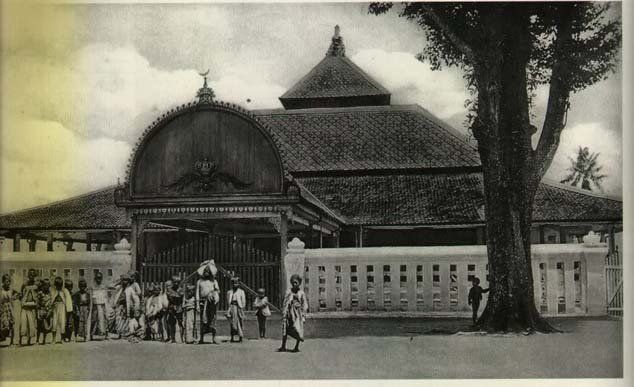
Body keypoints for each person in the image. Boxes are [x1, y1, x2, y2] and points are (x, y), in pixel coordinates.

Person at [278, 274, 308, 353]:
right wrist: (284, 312)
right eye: (293, 282)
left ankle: (296, 346)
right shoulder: (288, 292)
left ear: (299, 283)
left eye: (296, 282)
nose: (294, 284)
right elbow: (285, 302)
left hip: (297, 315)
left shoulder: (301, 293)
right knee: (285, 328)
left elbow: (304, 304)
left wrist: (303, 315)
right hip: (289, 313)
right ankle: (283, 346)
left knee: (297, 329)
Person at [196, 266, 220, 344]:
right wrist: (197, 304)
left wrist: (213, 294)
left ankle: (214, 338)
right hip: (203, 302)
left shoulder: (214, 281)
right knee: (203, 320)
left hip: (211, 303)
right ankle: (201, 338)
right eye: (205, 271)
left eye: (208, 271)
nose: (206, 272)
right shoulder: (199, 281)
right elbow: (197, 293)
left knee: (213, 320)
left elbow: (217, 290)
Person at [50, 276, 73, 344]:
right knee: (54, 323)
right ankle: (54, 339)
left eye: (60, 285)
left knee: (62, 322)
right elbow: (51, 299)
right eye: (57, 285)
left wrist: (68, 309)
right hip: (55, 307)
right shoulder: (53, 290)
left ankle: (62, 339)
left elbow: (68, 299)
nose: (58, 287)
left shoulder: (64, 290)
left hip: (62, 307)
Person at [19, 269, 38, 346]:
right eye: (30, 275)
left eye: (33, 275)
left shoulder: (36, 285)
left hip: (32, 307)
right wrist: (23, 301)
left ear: (35, 276)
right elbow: (21, 294)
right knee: (23, 323)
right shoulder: (24, 285)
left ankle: (29, 340)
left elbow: (38, 296)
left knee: (31, 323)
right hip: (24, 306)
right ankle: (20, 341)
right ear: (28, 276)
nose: (31, 277)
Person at [226, 277, 246, 343]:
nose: (235, 285)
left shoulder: (241, 292)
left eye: (236, 283)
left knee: (239, 322)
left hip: (238, 308)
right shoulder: (229, 292)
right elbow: (228, 300)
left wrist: (242, 307)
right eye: (234, 283)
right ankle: (232, 337)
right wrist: (229, 308)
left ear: (239, 284)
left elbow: (243, 301)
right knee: (232, 322)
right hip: (232, 307)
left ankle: (240, 337)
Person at [90, 272, 109, 340]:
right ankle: (91, 334)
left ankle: (106, 334)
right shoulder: (92, 287)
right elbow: (91, 297)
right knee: (93, 320)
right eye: (97, 278)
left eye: (100, 278)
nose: (99, 280)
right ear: (95, 279)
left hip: (103, 305)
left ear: (102, 278)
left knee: (105, 319)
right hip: (95, 305)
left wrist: (106, 306)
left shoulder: (104, 286)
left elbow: (106, 296)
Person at [165, 276, 184, 343]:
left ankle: (182, 338)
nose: (176, 283)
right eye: (174, 282)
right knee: (172, 323)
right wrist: (175, 295)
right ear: (172, 282)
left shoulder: (181, 289)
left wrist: (175, 295)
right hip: (171, 307)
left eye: (177, 282)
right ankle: (173, 339)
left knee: (180, 323)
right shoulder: (169, 290)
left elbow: (180, 297)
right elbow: (169, 297)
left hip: (179, 307)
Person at [0, 274, 18, 345]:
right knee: (3, 324)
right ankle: (2, 337)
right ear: (3, 281)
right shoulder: (1, 290)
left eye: (9, 281)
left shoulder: (11, 290)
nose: (8, 283)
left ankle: (12, 342)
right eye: (7, 281)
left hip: (10, 308)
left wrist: (14, 297)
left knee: (11, 324)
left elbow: (18, 293)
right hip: (2, 308)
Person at [36, 278, 52, 345]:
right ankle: (37, 340)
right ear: (42, 286)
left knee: (45, 327)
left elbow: (51, 303)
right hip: (41, 310)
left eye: (48, 285)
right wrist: (38, 312)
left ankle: (44, 340)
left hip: (47, 311)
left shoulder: (50, 294)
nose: (46, 286)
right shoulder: (40, 293)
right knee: (39, 326)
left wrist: (50, 311)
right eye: (45, 285)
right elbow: (37, 303)